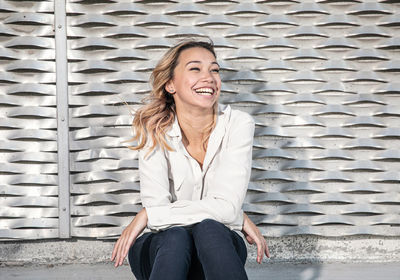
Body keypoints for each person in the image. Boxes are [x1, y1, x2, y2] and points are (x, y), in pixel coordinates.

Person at [111, 39, 270, 280]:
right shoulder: (154, 130)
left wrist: (147, 215)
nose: (209, 77)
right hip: (162, 251)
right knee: (175, 236)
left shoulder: (238, 124)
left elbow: (224, 209)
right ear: (170, 84)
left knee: (210, 229)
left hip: (217, 250)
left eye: (214, 70)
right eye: (195, 68)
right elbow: (161, 213)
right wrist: (236, 216)